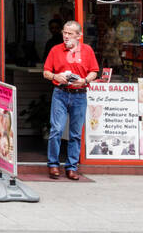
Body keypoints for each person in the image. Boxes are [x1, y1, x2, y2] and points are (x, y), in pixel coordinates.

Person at [42, 20, 100, 180]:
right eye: (64, 33)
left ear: (79, 35)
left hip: (80, 94)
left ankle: (71, 167)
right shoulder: (55, 50)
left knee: (75, 134)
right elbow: (46, 72)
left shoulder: (87, 50)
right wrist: (55, 76)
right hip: (60, 93)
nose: (65, 36)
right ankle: (53, 165)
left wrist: (85, 80)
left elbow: (94, 71)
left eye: (69, 34)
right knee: (56, 130)